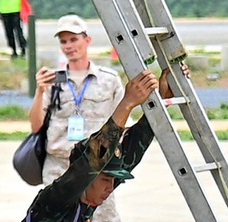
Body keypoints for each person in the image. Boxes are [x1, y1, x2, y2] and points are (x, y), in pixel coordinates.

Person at [21, 70, 158, 222]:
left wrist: (162, 98)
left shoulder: (87, 199)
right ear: (86, 178)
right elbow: (94, 160)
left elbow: (134, 148)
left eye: (113, 180)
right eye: (105, 180)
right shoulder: (56, 199)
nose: (110, 188)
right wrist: (127, 104)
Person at [30, 15, 127, 216]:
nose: (68, 46)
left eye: (74, 39)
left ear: (87, 40)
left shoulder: (109, 80)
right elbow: (36, 126)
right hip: (59, 166)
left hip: (95, 167)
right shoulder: (53, 81)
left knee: (103, 218)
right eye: (63, 41)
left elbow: (123, 122)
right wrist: (40, 91)